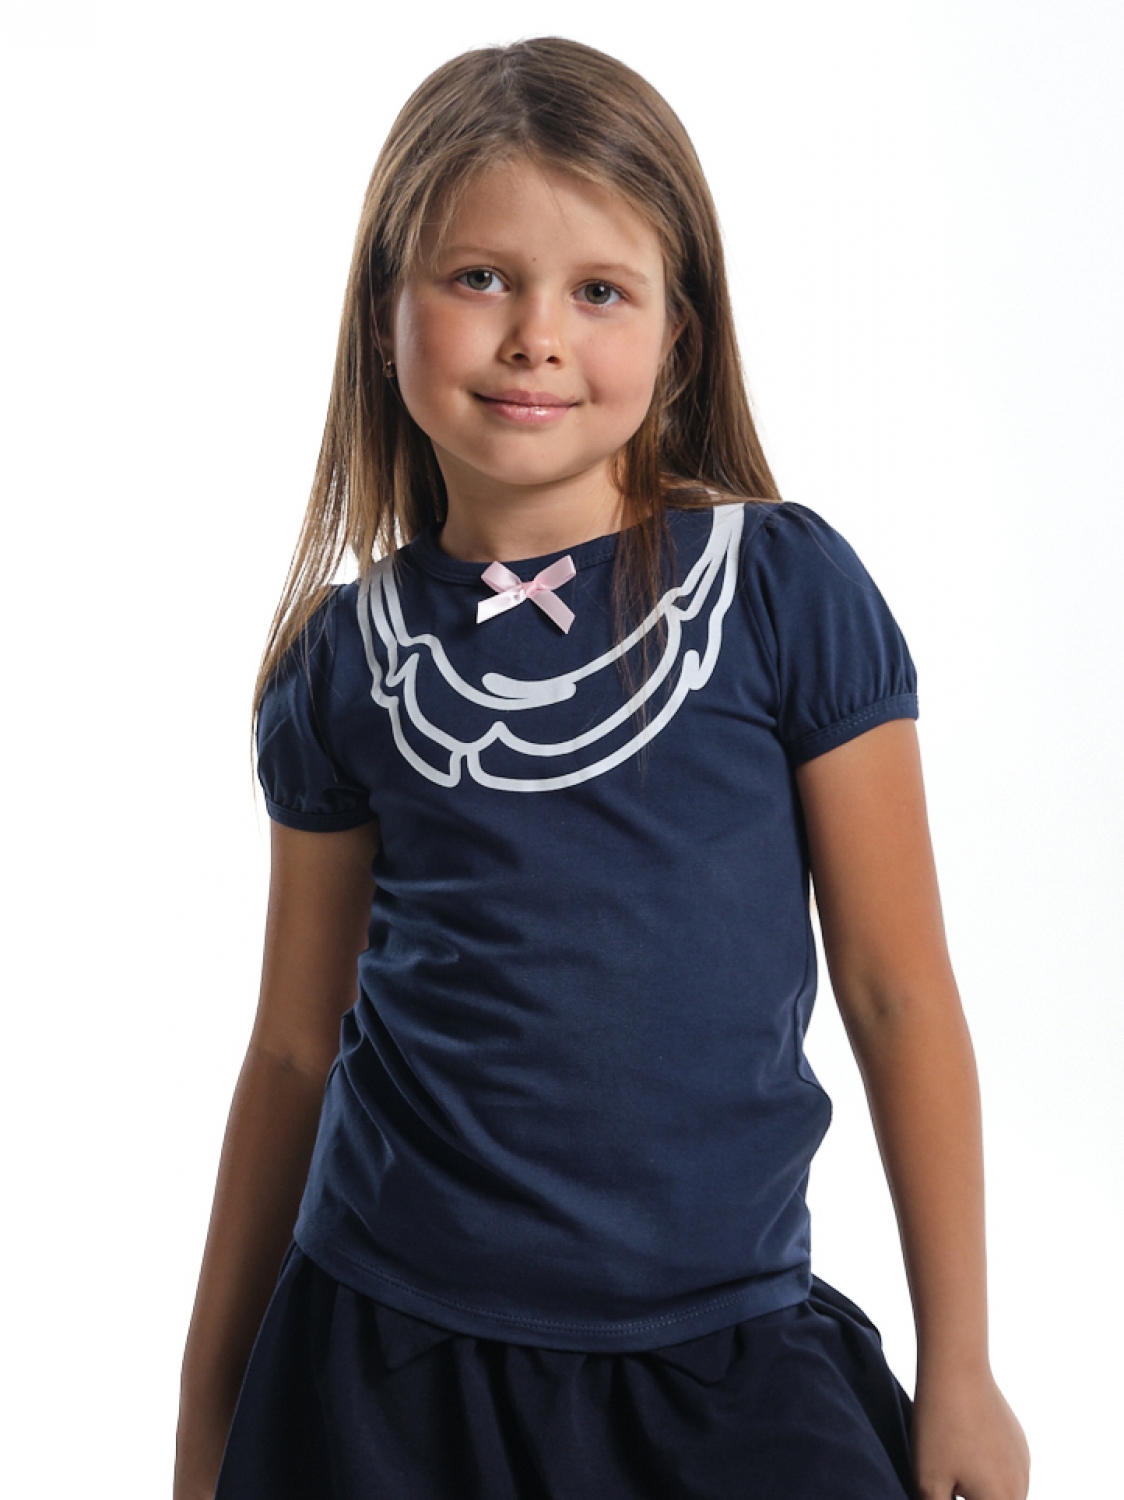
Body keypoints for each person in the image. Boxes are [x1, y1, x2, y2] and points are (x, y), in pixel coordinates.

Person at [175, 36, 1030, 1500]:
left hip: (723, 1359)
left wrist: (963, 1365)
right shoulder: (343, 661)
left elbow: (897, 992)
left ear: (678, 334)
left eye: (599, 291)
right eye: (480, 277)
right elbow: (294, 1049)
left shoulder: (784, 593)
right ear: (382, 313)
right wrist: (209, 1409)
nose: (536, 337)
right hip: (383, 1367)